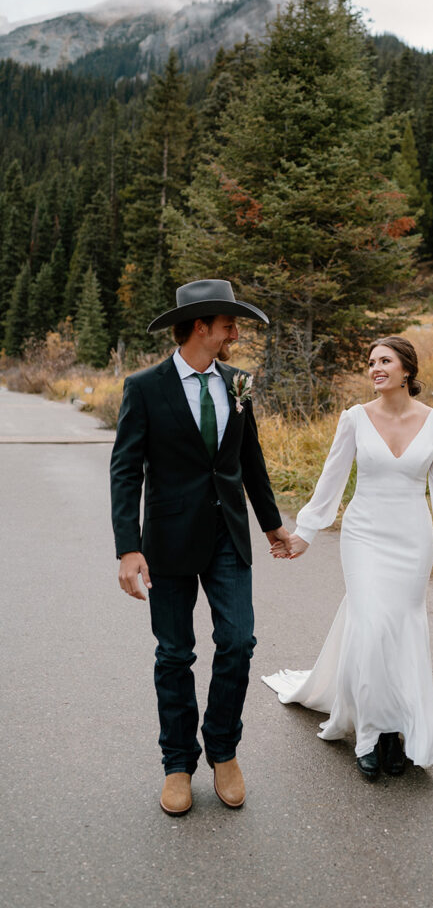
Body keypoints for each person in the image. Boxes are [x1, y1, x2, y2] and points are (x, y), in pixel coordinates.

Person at [110, 279, 291, 816]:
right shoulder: (144, 387)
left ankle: (224, 749)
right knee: (175, 654)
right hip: (166, 540)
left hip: (227, 535)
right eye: (228, 324)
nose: (235, 332)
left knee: (238, 642)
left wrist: (272, 524)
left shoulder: (239, 383)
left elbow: (248, 459)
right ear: (200, 327)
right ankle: (178, 763)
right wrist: (128, 548)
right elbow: (125, 471)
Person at [263, 336, 433, 779]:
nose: (375, 368)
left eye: (384, 361)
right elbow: (332, 477)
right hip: (363, 535)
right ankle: (370, 734)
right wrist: (306, 532)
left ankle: (396, 731)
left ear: (407, 370)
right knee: (371, 625)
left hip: (412, 539)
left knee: (401, 630)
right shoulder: (355, 419)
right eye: (370, 362)